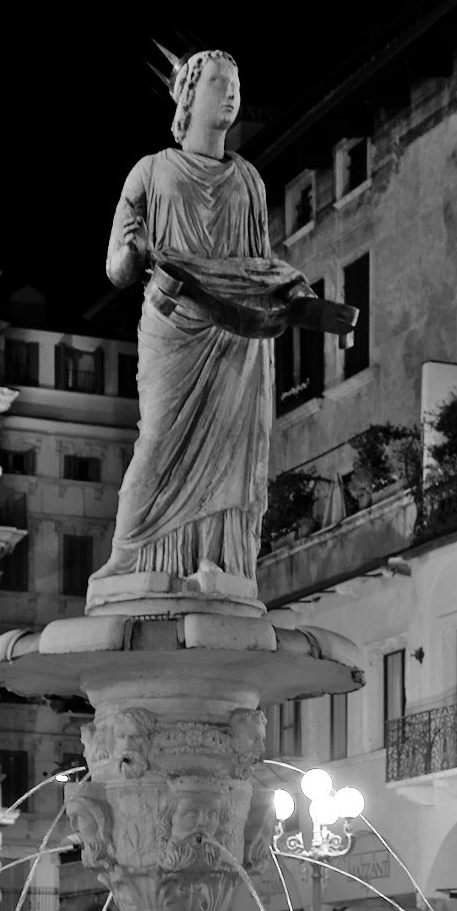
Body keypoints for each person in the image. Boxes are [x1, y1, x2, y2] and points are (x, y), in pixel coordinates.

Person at [88, 49, 354, 607]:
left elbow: (262, 267)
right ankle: (131, 551)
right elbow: (116, 267)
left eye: (235, 84)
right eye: (219, 83)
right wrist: (134, 250)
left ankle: (219, 558)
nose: (232, 94)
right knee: (156, 441)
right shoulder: (151, 171)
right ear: (189, 95)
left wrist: (304, 300)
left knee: (233, 453)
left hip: (236, 339)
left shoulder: (248, 181)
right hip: (174, 330)